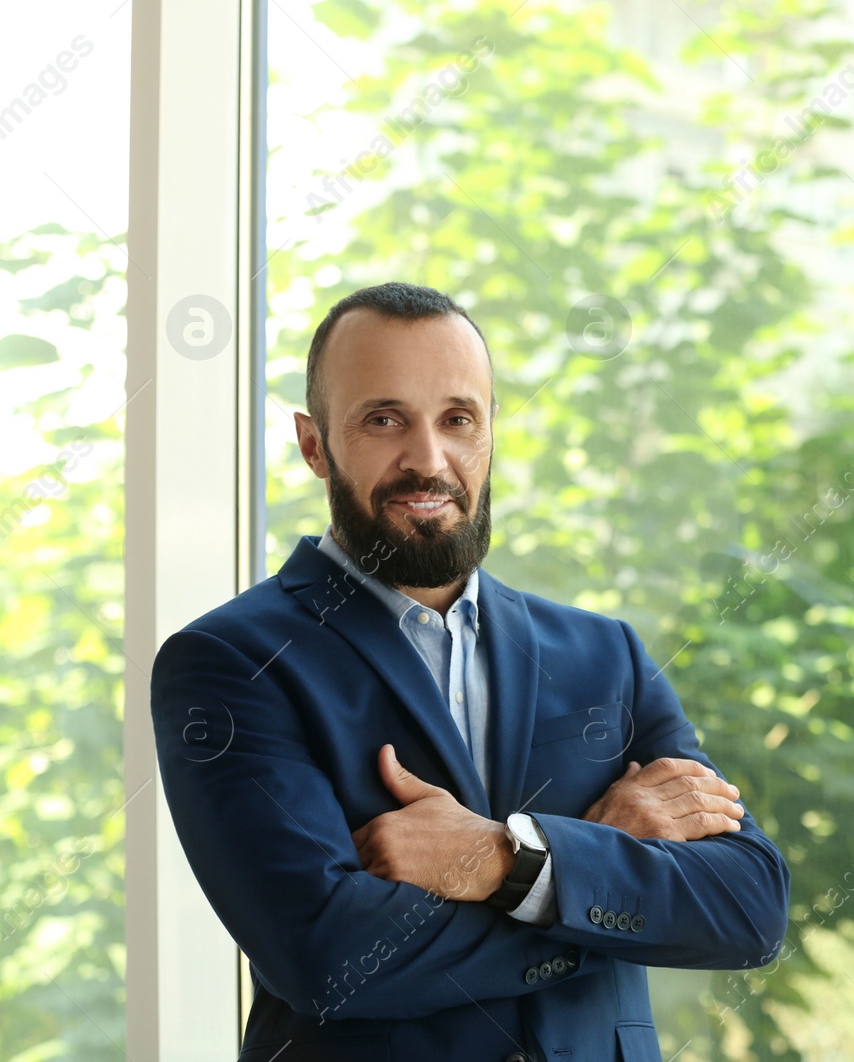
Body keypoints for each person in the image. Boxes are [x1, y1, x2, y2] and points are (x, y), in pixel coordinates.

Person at [151, 282, 789, 1062]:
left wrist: (507, 859)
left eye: (459, 420)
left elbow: (748, 906)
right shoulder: (231, 664)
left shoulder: (604, 654)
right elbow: (330, 958)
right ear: (314, 444)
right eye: (384, 420)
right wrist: (593, 878)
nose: (429, 459)